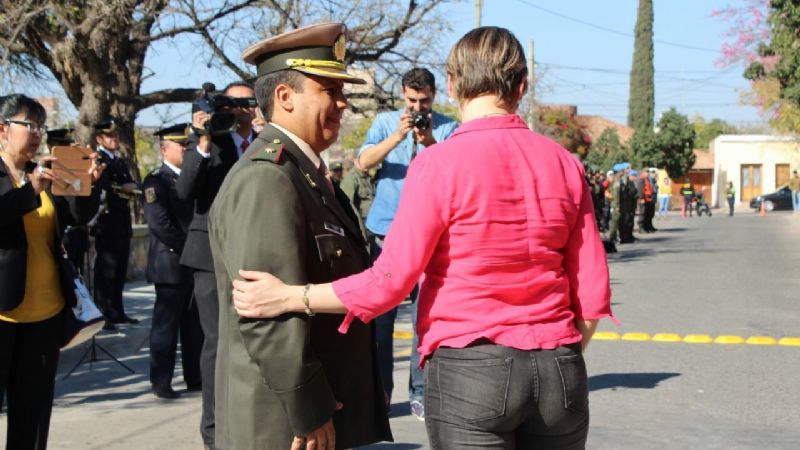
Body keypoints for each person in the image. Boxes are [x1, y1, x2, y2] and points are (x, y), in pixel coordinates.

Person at [232, 26, 613, 449]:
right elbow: (592, 294)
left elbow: (389, 284)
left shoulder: (438, 164)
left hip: (472, 370)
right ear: (521, 86)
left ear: (451, 85)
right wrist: (558, 359)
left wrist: (292, 297)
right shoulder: (564, 163)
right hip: (560, 368)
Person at [207, 23, 392, 449]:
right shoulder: (268, 179)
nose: (342, 102)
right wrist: (309, 410)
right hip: (286, 424)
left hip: (320, 412)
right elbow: (264, 314)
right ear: (285, 97)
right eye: (329, 88)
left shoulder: (307, 175)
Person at [0, 94, 102, 449]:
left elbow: (77, 217)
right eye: (29, 125)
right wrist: (30, 191)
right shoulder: (23, 180)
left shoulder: (41, 171)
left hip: (45, 312)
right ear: (2, 127)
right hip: (3, 312)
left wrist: (89, 184)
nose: (37, 134)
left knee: (33, 414)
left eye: (41, 127)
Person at [357, 67, 459, 419]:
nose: (419, 107)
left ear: (435, 97)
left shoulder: (448, 127)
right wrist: (398, 137)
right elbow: (363, 163)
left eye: (426, 101)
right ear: (403, 95)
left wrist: (428, 140)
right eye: (413, 101)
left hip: (430, 238)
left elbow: (454, 170)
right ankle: (380, 394)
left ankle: (419, 391)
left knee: (422, 323)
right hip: (387, 235)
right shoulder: (386, 123)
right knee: (380, 323)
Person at [176, 80, 258, 449]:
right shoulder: (209, 141)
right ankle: (213, 430)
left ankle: (249, 418)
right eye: (231, 104)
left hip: (251, 254)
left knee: (253, 339)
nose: (239, 110)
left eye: (246, 103)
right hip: (209, 255)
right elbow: (185, 190)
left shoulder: (263, 143)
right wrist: (202, 139)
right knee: (217, 342)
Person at [142, 124, 203, 399]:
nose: (187, 150)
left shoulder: (192, 177)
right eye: (182, 146)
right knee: (166, 326)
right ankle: (161, 380)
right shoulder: (156, 180)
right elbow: (160, 224)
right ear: (165, 149)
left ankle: (195, 376)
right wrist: (190, 247)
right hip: (170, 263)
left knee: (194, 327)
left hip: (192, 263)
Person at [91, 118, 140, 330]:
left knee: (119, 270)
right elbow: (106, 190)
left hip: (121, 222)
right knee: (106, 271)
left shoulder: (118, 161)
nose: (115, 139)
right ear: (100, 139)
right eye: (111, 136)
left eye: (116, 136)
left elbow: (127, 184)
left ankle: (117, 311)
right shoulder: (99, 161)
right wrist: (124, 189)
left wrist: (127, 189)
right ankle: (104, 314)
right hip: (107, 223)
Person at [46, 128, 91, 275]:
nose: (66, 150)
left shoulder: (75, 171)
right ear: (50, 147)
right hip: (59, 238)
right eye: (62, 146)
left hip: (76, 237)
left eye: (68, 146)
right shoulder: (44, 171)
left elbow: (81, 209)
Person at [339, 156, 376, 228]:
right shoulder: (351, 179)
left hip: (373, 218)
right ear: (356, 161)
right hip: (362, 221)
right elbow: (346, 205)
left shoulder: (368, 177)